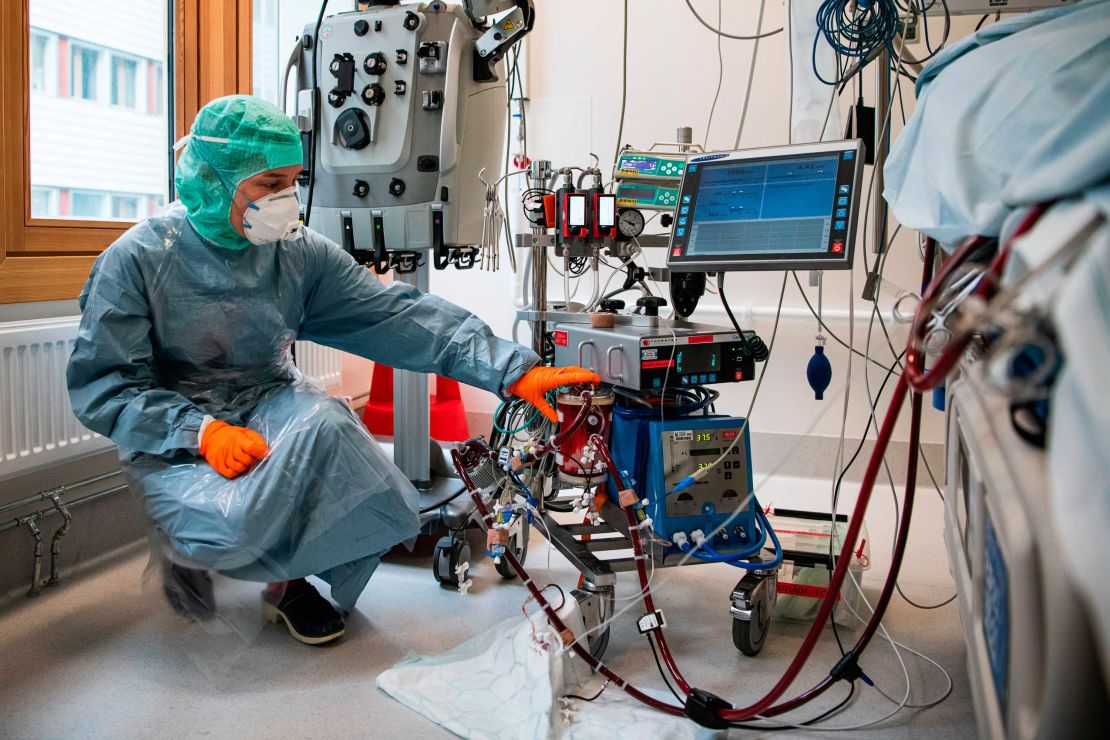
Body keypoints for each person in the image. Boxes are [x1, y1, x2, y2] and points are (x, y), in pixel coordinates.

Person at [67, 95, 598, 646]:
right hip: (169, 424)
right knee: (222, 522)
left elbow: (394, 313)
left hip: (267, 396)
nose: (286, 199)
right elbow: (108, 387)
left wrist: (510, 369)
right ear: (214, 180)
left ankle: (287, 581)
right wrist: (199, 431)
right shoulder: (137, 259)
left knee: (331, 430)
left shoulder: (298, 253)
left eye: (293, 181)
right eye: (269, 183)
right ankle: (188, 555)